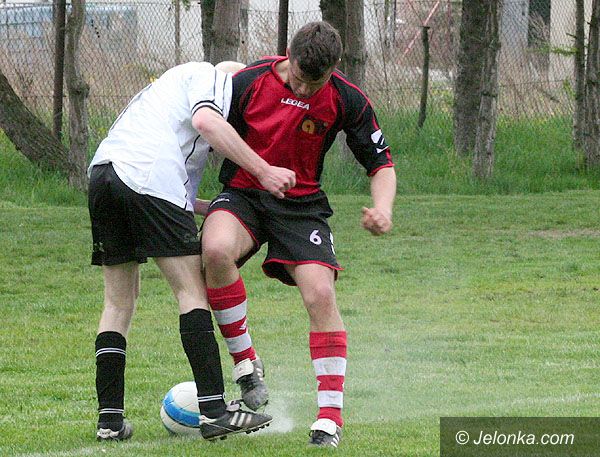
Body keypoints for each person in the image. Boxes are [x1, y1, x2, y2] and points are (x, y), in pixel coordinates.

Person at [201, 22, 396, 448]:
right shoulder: (250, 81)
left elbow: (381, 163)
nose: (305, 90)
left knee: (321, 294)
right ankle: (246, 364)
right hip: (244, 193)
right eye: (299, 78)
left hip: (301, 206)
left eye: (315, 83)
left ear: (334, 69)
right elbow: (208, 131)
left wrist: (382, 208)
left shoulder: (346, 98)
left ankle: (329, 418)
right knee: (214, 249)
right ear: (288, 55)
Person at [87, 60, 296, 441]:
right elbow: (206, 122)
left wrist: (215, 206)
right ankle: (215, 412)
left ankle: (109, 422)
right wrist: (264, 171)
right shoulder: (212, 78)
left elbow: (175, 197)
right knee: (192, 292)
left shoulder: (166, 91)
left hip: (104, 175)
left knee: (117, 303)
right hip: (148, 175)